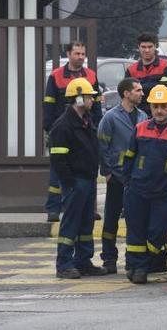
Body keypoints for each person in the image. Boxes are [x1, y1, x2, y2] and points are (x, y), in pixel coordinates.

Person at [121, 85, 167, 284]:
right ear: (150, 107)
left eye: (163, 106)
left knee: (158, 230)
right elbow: (129, 158)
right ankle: (136, 267)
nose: (159, 111)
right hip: (137, 190)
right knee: (136, 231)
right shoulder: (140, 128)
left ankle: (141, 264)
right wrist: (128, 183)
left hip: (164, 192)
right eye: (155, 106)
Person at [49, 78, 108, 279]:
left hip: (88, 180)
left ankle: (83, 261)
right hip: (76, 182)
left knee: (85, 224)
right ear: (79, 98)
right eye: (90, 97)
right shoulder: (64, 126)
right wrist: (70, 184)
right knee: (71, 224)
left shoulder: (86, 120)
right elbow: (58, 160)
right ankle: (64, 264)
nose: (93, 100)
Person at [43, 41, 102, 223]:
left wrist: (95, 125)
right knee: (57, 169)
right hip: (63, 129)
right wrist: (49, 127)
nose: (81, 57)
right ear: (68, 54)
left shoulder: (91, 75)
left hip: (84, 128)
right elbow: (49, 103)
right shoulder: (56, 76)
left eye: (83, 54)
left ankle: (89, 209)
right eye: (77, 53)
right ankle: (53, 209)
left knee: (87, 169)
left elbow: (97, 103)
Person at [96, 77, 147, 274]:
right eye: (138, 90)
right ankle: (109, 259)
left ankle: (133, 260)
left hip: (136, 177)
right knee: (111, 219)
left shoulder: (142, 116)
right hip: (117, 176)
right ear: (126, 94)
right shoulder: (110, 117)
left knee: (135, 219)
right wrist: (107, 172)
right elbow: (102, 145)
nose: (142, 93)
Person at [125, 32, 167, 116]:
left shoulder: (166, 66)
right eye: (143, 47)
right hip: (137, 112)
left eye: (150, 47)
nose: (147, 50)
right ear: (138, 47)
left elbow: (163, 87)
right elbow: (128, 92)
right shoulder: (131, 69)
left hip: (159, 110)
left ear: (155, 46)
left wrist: (139, 89)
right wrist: (154, 85)